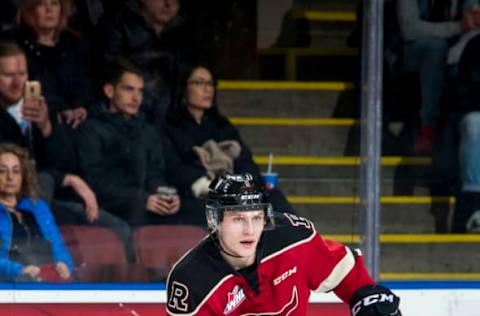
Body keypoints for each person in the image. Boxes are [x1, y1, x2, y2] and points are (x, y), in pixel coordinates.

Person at [166, 172, 401, 315]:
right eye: (238, 218)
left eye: (256, 218)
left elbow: (344, 271)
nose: (249, 230)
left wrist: (366, 296)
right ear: (213, 219)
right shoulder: (191, 279)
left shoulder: (293, 239)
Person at [0, 42, 131, 248]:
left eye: (22, 74)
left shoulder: (44, 109)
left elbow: (64, 162)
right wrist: (67, 179)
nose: (17, 83)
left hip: (48, 198)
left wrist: (46, 128)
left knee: (118, 229)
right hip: (10, 204)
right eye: (8, 75)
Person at [77, 58, 205, 226]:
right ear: (109, 90)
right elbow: (95, 182)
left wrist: (164, 195)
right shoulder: (91, 130)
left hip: (144, 206)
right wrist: (142, 199)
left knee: (199, 213)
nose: (136, 97)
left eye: (140, 91)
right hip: (111, 210)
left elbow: (156, 174)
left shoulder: (147, 131)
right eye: (129, 89)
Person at [165, 63, 293, 213]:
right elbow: (172, 166)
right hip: (196, 193)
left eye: (211, 84)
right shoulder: (170, 125)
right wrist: (209, 185)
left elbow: (245, 160)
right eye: (199, 83)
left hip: (233, 190)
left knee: (274, 197)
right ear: (183, 88)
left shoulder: (222, 125)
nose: (207, 89)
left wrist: (243, 184)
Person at [96, 0, 203, 125]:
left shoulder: (184, 31)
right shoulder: (117, 24)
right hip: (126, 117)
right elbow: (108, 67)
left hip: (170, 119)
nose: (168, 4)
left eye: (175, 0)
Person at [396, 0, 480, 154]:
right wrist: (457, 27)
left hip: (453, 53)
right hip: (411, 52)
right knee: (436, 48)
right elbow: (409, 29)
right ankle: (428, 127)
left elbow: (473, 20)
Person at [0, 0, 94, 128]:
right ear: (29, 10)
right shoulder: (11, 43)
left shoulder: (76, 44)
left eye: (54, 4)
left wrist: (82, 107)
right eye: (41, 4)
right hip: (32, 119)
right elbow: (16, 88)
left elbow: (86, 84)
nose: (49, 10)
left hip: (77, 120)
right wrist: (58, 110)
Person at [0, 143, 73, 281]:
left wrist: (64, 264)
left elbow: (58, 246)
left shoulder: (38, 207)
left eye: (16, 171)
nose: (10, 177)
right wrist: (19, 270)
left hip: (45, 283)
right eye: (2, 171)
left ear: (23, 176)